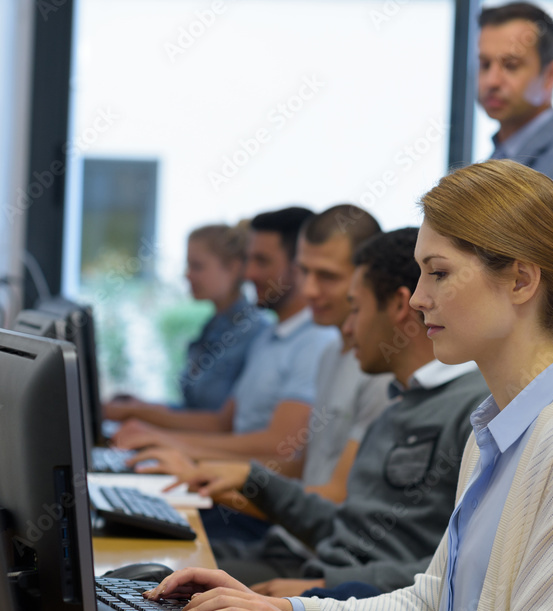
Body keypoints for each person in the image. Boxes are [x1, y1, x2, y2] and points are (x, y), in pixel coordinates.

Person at [144, 161, 553, 611]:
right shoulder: (494, 429)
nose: (416, 299)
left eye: (438, 273)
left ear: (521, 280)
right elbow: (431, 606)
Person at [150, 228, 487, 598]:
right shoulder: (399, 402)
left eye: (355, 308)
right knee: (152, 579)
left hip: (348, 595)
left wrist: (321, 590)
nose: (347, 328)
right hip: (323, 573)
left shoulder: (474, 410)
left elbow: (459, 569)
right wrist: (250, 477)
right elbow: (347, 528)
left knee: (161, 583)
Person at [135, 205, 395, 543]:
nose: (309, 289)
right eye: (305, 271)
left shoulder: (371, 368)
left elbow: (329, 497)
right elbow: (300, 469)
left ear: (365, 278)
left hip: (303, 549)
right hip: (288, 540)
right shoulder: (331, 353)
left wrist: (204, 475)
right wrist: (201, 470)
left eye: (327, 276)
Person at [106, 207, 339, 473]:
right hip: (229, 477)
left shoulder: (315, 342)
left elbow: (280, 447)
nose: (248, 274)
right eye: (249, 260)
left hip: (251, 488)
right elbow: (223, 424)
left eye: (262, 262)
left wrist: (170, 442)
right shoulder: (268, 337)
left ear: (298, 268)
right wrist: (155, 432)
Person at [478, 2, 553, 256]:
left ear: (550, 75)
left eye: (511, 65)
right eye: (485, 64)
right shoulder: (503, 151)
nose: (491, 80)